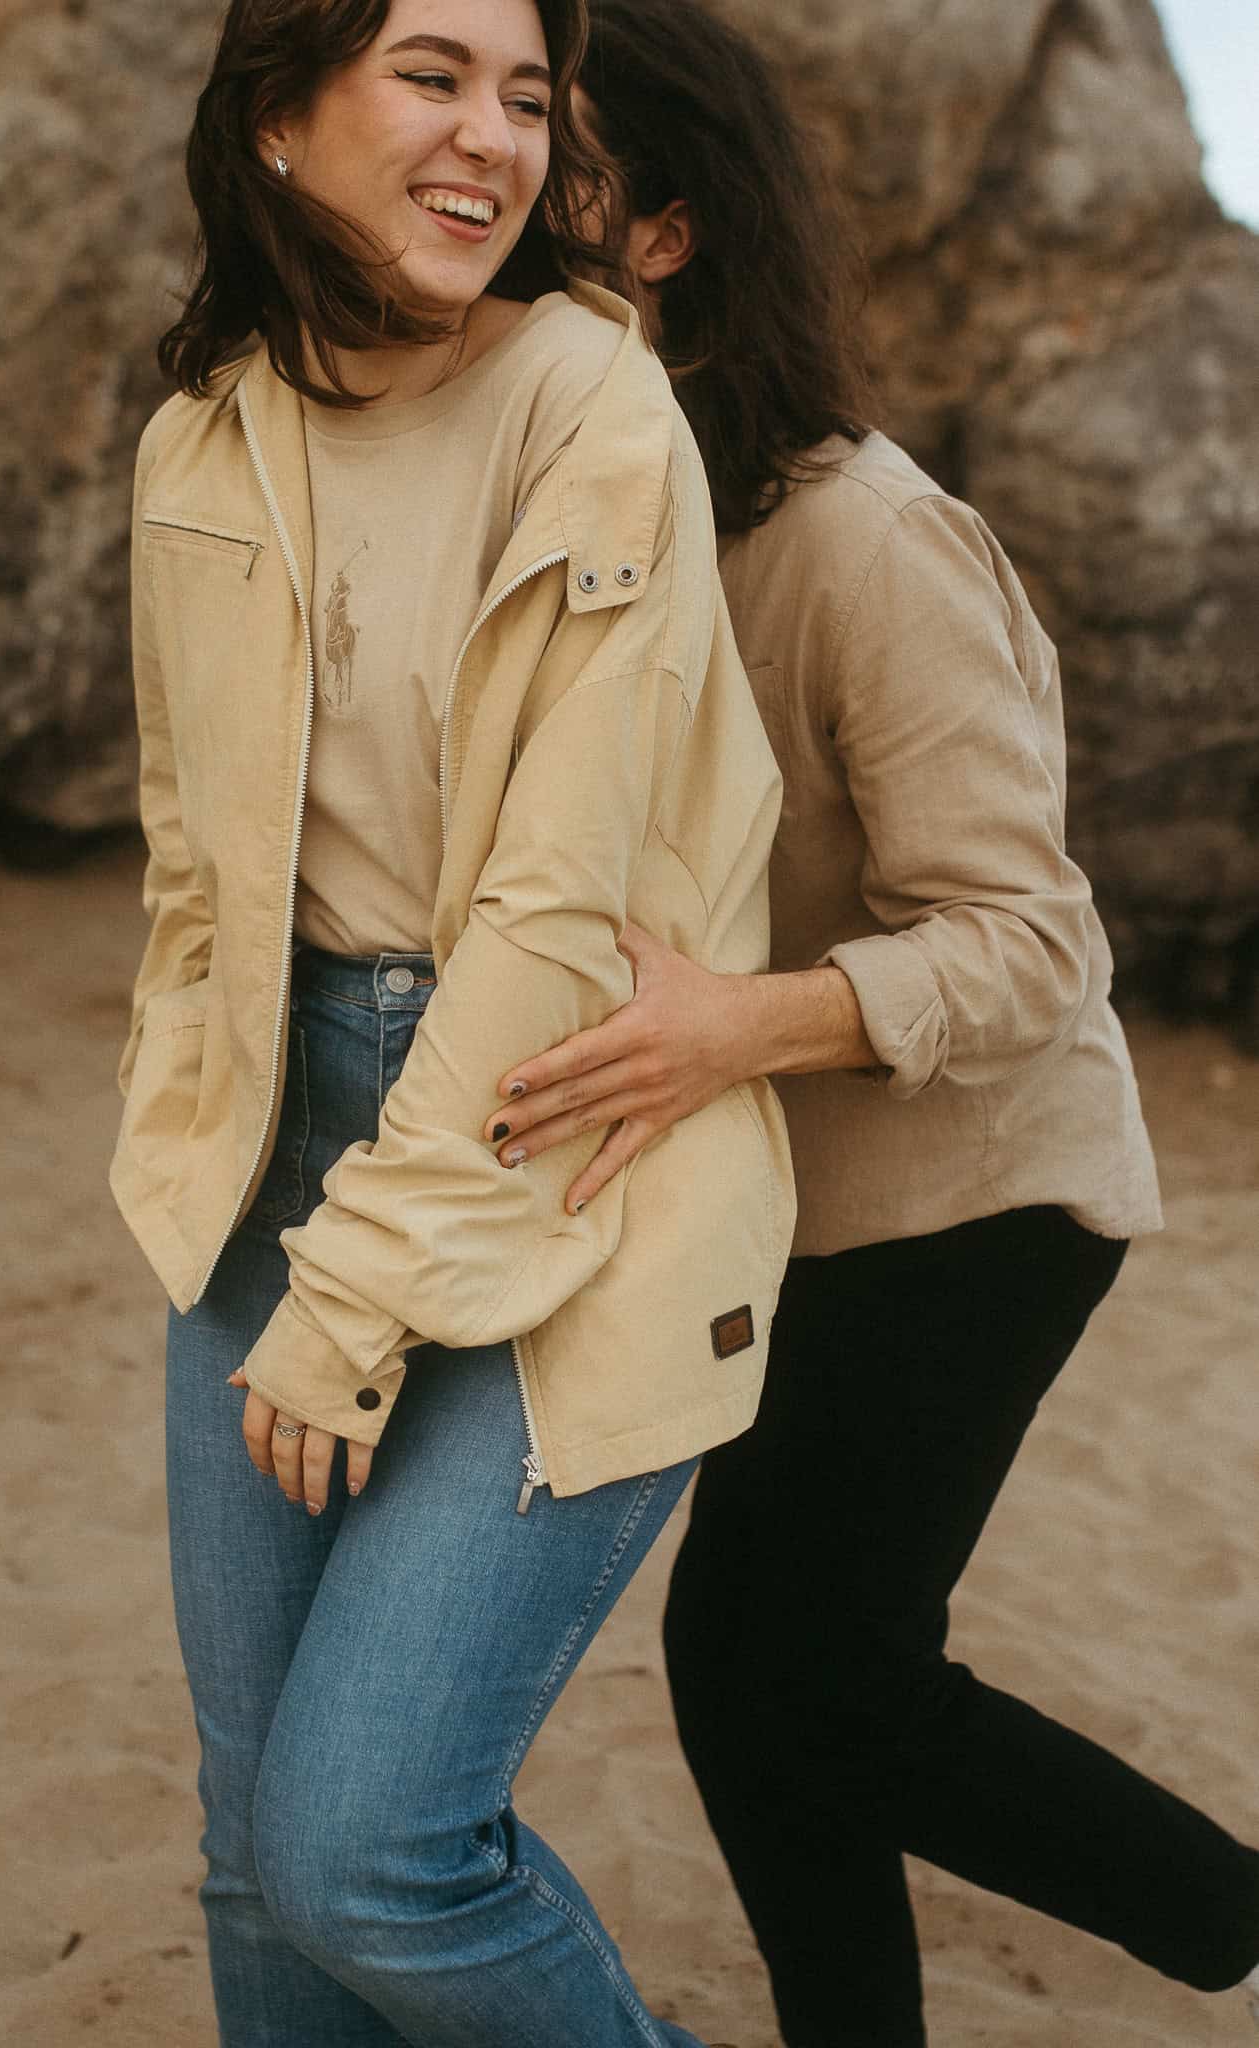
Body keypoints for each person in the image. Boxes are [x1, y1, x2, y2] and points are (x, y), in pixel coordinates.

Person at [482, 3, 1259, 2041]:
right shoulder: (644, 516)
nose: (481, 187)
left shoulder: (861, 537)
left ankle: (1232, 1916)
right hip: (804, 1194)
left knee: (804, 1678)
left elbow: (1027, 943)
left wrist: (738, 1023)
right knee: (768, 1682)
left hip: (987, 1195)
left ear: (658, 230)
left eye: (540, 153)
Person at [110, 1, 796, 2042]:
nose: (491, 138)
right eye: (431, 73)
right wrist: (192, 1138)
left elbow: (548, 905)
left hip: (554, 1138)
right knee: (253, 1847)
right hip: (268, 1152)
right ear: (276, 118)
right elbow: (190, 866)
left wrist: (353, 1300)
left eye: (523, 95)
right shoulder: (201, 429)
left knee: (364, 1845)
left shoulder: (591, 400)